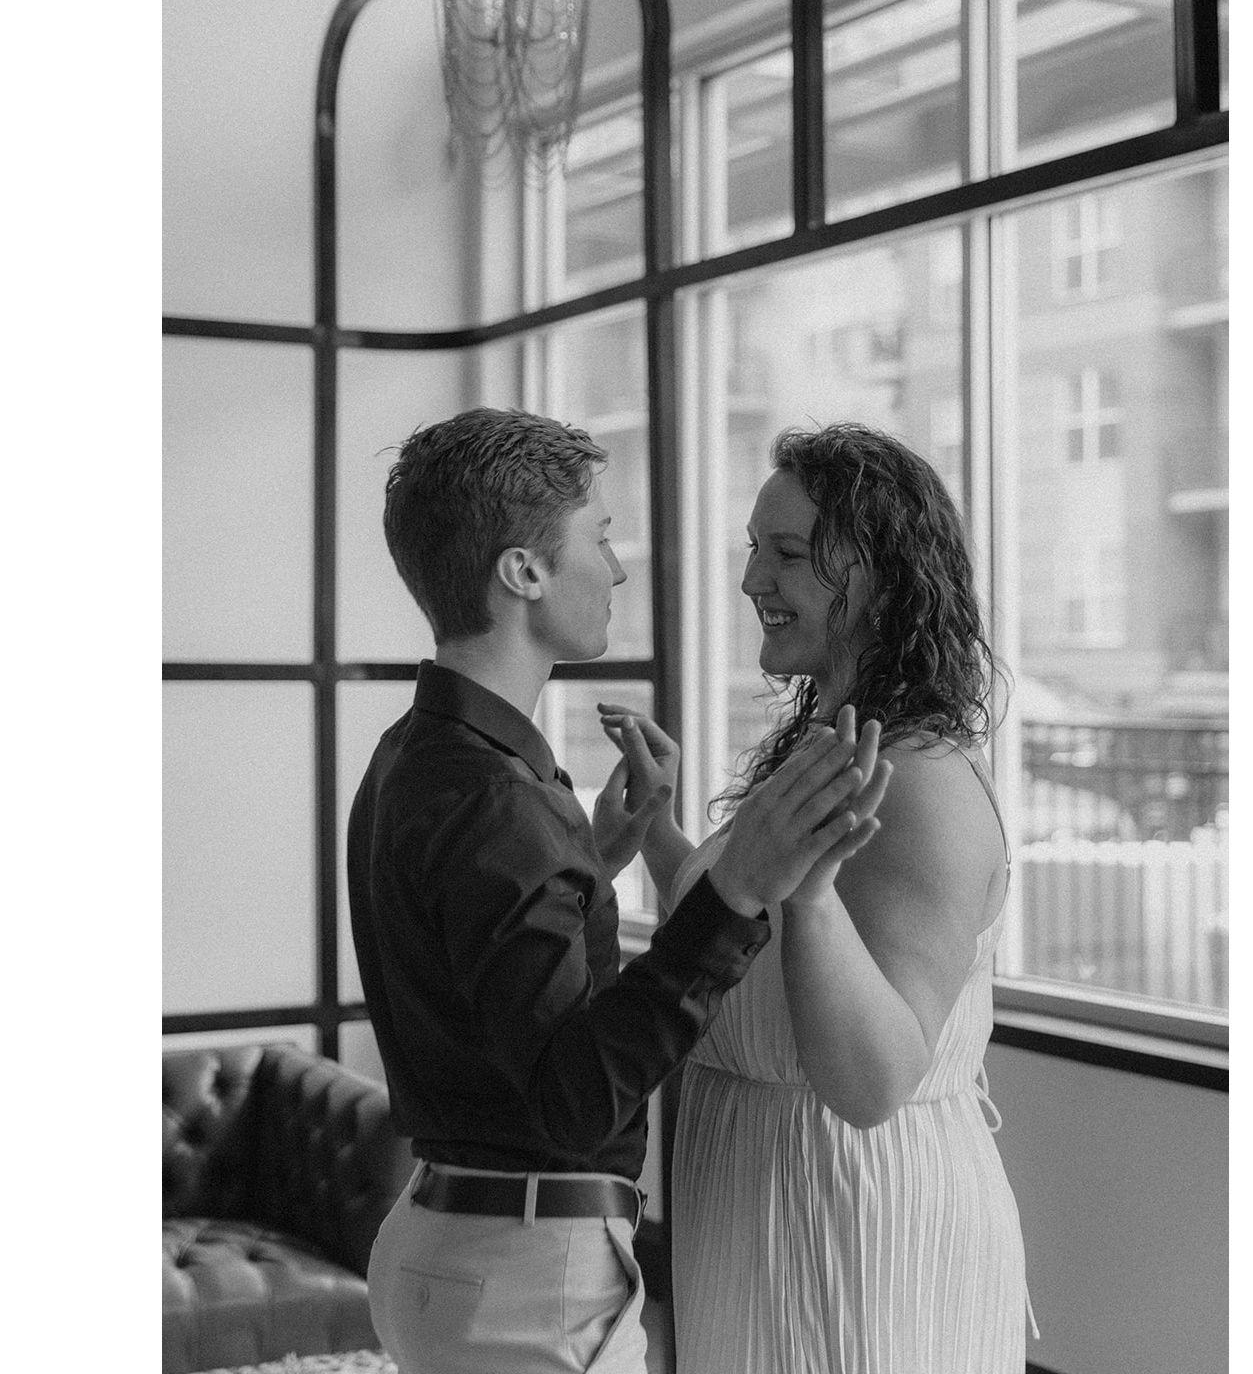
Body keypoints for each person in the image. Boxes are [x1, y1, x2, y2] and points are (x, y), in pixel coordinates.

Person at [349, 407, 891, 1374]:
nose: (618, 570)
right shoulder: (498, 799)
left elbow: (474, 987)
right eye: (600, 538)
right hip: (522, 1282)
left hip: (450, 1248)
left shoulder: (414, 755)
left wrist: (594, 860)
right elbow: (573, 1099)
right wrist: (736, 890)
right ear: (525, 572)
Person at [600, 421, 1032, 1373]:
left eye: (788, 555)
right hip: (757, 1221)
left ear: (882, 580)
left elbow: (873, 1081)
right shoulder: (829, 748)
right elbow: (754, 941)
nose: (752, 579)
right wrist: (661, 833)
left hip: (855, 1232)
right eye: (756, 548)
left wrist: (813, 897)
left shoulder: (920, 787)